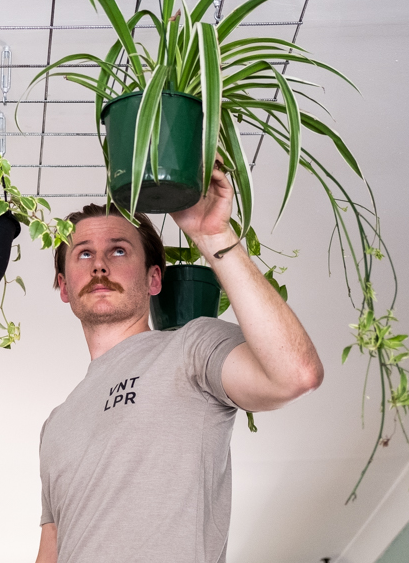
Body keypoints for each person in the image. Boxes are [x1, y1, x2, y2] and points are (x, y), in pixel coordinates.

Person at [35, 166, 324, 563]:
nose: (99, 265)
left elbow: (296, 375)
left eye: (118, 250)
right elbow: (51, 547)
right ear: (64, 286)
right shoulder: (56, 423)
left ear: (154, 280)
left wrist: (213, 235)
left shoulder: (190, 347)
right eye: (84, 253)